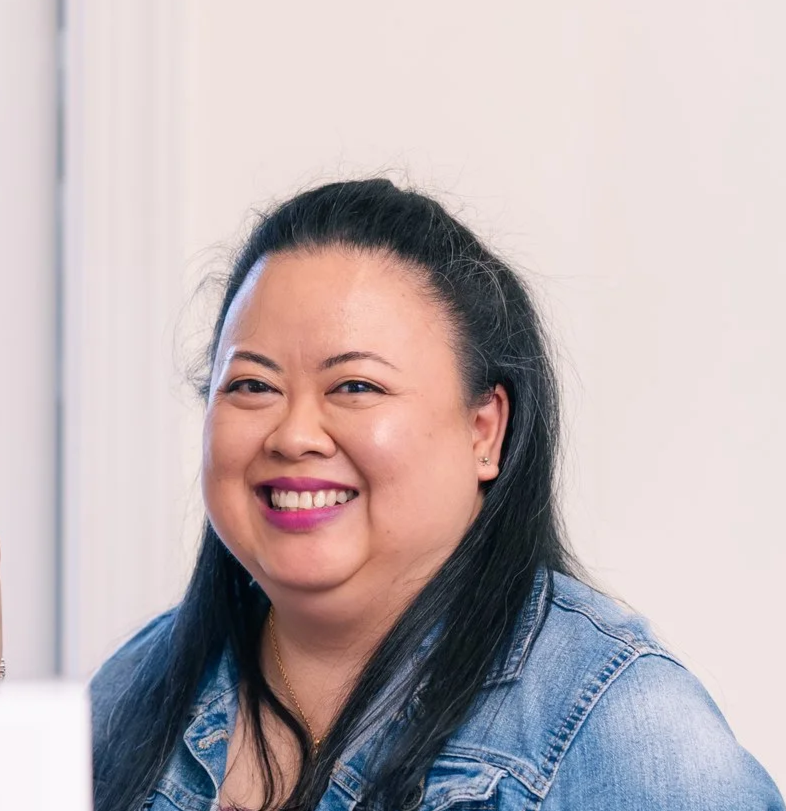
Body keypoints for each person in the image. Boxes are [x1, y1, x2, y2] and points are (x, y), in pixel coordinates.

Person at [78, 179, 782, 809]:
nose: (293, 434)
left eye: (355, 385)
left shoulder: (619, 719)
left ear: (484, 429)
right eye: (252, 385)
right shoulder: (136, 687)